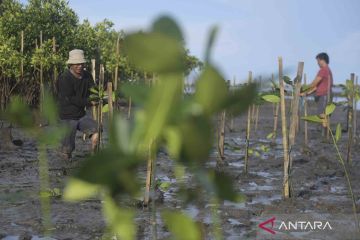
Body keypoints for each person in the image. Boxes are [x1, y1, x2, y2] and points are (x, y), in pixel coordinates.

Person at [57, 49, 99, 160]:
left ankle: (93, 159)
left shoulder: (87, 76)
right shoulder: (64, 78)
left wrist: (99, 97)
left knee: (96, 131)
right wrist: (89, 102)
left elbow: (93, 90)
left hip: (81, 115)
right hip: (67, 117)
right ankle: (64, 168)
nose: (79, 66)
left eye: (81, 63)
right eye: (76, 64)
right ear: (70, 64)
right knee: (67, 149)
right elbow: (71, 98)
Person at [301, 52, 333, 127]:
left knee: (322, 115)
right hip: (324, 95)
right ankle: (323, 132)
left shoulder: (324, 70)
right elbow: (316, 87)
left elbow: (314, 84)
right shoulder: (327, 69)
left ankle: (324, 133)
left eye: (318, 61)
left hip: (324, 96)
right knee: (322, 114)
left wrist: (303, 90)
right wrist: (306, 93)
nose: (317, 63)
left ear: (323, 60)